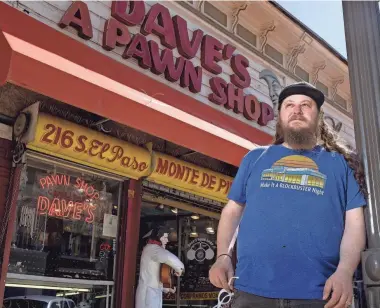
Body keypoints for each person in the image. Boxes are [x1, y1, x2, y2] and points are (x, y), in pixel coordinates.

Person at [209, 81, 367, 308]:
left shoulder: (339, 164)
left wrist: (345, 271)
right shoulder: (254, 158)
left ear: (319, 117)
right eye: (289, 105)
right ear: (280, 117)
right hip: (251, 291)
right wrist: (223, 256)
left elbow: (354, 223)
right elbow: (232, 212)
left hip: (320, 294)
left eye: (306, 105)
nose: (297, 110)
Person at [135, 226, 184, 308]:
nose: (167, 240)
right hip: (149, 293)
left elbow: (154, 277)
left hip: (151, 291)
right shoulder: (153, 249)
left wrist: (167, 289)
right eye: (164, 237)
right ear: (158, 237)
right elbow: (168, 257)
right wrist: (180, 269)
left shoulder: (151, 249)